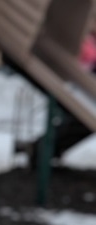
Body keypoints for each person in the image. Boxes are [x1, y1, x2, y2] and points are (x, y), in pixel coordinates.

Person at [15, 25, 96, 166]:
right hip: (80, 84)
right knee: (80, 119)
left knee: (79, 121)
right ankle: (39, 149)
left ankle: (39, 148)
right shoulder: (85, 41)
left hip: (83, 84)